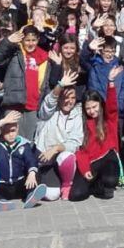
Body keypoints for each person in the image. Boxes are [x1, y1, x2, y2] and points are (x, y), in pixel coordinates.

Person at [71, 66, 122, 201]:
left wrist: (111, 82)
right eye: (88, 108)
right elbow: (80, 151)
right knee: (76, 195)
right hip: (91, 161)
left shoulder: (108, 119)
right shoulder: (82, 122)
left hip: (108, 158)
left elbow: (112, 105)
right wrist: (85, 169)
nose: (92, 111)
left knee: (109, 183)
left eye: (94, 107)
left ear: (100, 105)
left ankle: (103, 183)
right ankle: (93, 184)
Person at [33, 69, 84, 201]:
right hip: (43, 155)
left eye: (72, 98)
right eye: (66, 97)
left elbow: (75, 143)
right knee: (52, 195)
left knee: (68, 156)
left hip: (58, 155)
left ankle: (66, 185)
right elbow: (50, 101)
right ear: (60, 98)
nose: (69, 101)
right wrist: (60, 85)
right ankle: (34, 185)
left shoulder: (77, 114)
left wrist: (56, 148)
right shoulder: (50, 112)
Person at [0, 110, 46, 211]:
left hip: (19, 184)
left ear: (17, 129)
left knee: (35, 173)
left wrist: (32, 173)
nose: (11, 134)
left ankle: (31, 195)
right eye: (7, 131)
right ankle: (2, 203)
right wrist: (1, 122)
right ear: (2, 130)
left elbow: (30, 160)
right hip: (2, 185)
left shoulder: (24, 145)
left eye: (13, 131)